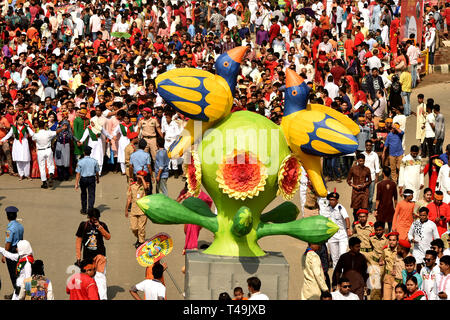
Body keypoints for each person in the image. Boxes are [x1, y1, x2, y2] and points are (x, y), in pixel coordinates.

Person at [75, 208, 110, 300]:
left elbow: (108, 237)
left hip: (100, 255)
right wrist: (78, 257)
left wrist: (99, 227)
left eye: (97, 218)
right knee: (88, 279)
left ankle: (102, 298)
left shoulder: (102, 225)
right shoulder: (84, 225)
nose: (95, 220)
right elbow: (79, 241)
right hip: (87, 257)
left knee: (100, 277)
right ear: (89, 217)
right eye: (93, 219)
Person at [319, 192, 351, 268]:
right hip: (332, 235)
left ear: (337, 200)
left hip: (342, 234)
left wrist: (348, 228)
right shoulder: (327, 209)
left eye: (333, 200)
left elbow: (346, 218)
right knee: (334, 257)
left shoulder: (341, 208)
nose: (331, 201)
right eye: (330, 200)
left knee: (342, 255)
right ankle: (336, 276)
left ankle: (343, 275)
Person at [32, 120, 67, 189]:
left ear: (38, 126)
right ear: (44, 126)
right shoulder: (48, 133)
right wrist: (62, 128)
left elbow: (33, 139)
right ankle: (51, 174)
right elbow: (56, 132)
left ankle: (44, 183)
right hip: (48, 149)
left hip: (40, 151)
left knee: (42, 167)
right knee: (50, 164)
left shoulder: (36, 135)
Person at [0, 114, 34, 180]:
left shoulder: (26, 126)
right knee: (18, 159)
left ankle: (27, 174)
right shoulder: (14, 128)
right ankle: (21, 174)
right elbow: (8, 135)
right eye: (20, 119)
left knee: (26, 159)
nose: (22, 121)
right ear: (17, 121)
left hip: (24, 142)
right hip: (17, 143)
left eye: (22, 119)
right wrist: (1, 140)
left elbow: (32, 133)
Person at [2, 206, 24, 299]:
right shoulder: (20, 226)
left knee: (13, 274)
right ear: (16, 216)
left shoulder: (10, 229)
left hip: (11, 251)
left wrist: (4, 254)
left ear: (7, 217)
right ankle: (16, 292)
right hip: (19, 250)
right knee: (18, 273)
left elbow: (8, 242)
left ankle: (17, 294)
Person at [125, 170, 149, 248]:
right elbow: (129, 198)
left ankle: (141, 242)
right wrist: (126, 209)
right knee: (134, 228)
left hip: (143, 210)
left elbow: (146, 188)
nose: (139, 179)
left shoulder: (146, 184)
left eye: (142, 177)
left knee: (141, 228)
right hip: (134, 210)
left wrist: (142, 179)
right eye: (138, 177)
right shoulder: (132, 186)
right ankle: (139, 238)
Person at [75, 146, 100, 214]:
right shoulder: (94, 161)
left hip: (83, 179)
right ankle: (90, 210)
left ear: (84, 153)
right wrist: (97, 179)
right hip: (91, 179)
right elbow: (97, 172)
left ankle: (83, 209)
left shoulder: (80, 162)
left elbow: (78, 173)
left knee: (83, 194)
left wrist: (76, 184)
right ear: (90, 153)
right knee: (91, 194)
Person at [347, 153, 372, 220]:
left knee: (364, 209)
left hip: (364, 191)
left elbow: (370, 181)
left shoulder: (367, 169)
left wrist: (365, 184)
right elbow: (348, 180)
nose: (361, 163)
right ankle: (356, 221)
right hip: (356, 191)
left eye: (363, 161)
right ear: (357, 161)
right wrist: (354, 186)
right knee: (355, 209)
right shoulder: (353, 169)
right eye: (360, 161)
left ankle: (364, 223)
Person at [374, 167, 398, 231]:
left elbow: (378, 198)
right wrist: (396, 208)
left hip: (381, 208)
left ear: (383, 173)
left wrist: (376, 209)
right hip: (390, 208)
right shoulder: (393, 184)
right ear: (390, 173)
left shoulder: (379, 184)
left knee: (382, 226)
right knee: (391, 225)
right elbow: (395, 198)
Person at [362, 140, 380, 212]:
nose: (368, 147)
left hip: (372, 177)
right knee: (363, 193)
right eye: (367, 145)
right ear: (365, 146)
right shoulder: (362, 154)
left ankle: (369, 207)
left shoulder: (374, 155)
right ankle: (363, 207)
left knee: (371, 194)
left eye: (370, 145)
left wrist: (377, 177)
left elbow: (377, 166)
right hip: (363, 177)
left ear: (372, 146)